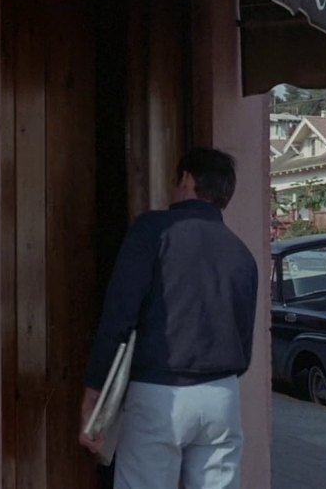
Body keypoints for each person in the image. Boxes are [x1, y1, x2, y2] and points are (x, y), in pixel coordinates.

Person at [79, 147, 258, 489]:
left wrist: (94, 395)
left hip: (159, 393)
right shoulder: (242, 254)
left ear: (187, 179)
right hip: (223, 396)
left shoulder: (153, 230)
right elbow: (244, 344)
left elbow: (120, 314)